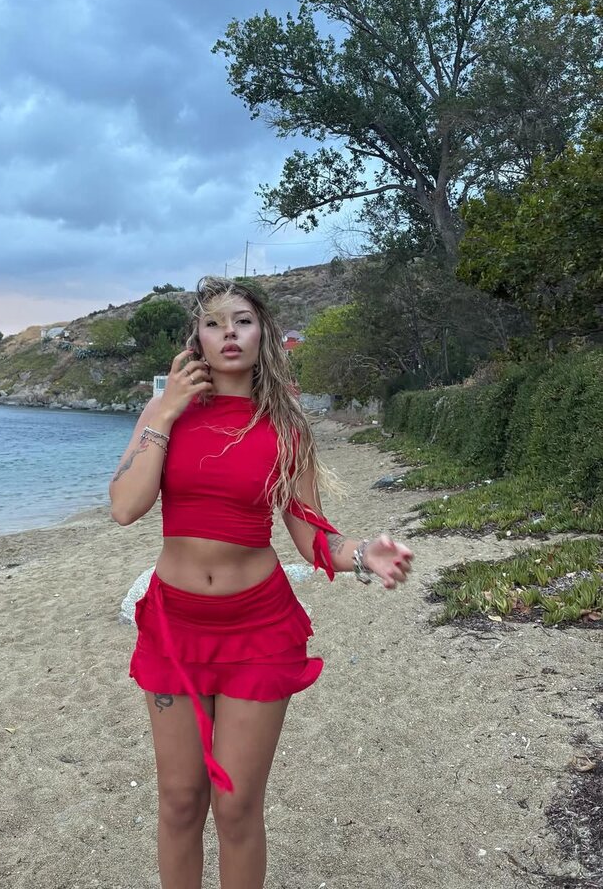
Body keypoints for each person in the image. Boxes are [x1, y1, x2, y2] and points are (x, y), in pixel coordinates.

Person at [110, 276, 414, 889]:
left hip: (258, 629)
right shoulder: (164, 415)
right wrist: (165, 410)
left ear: (262, 335)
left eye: (242, 321)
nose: (229, 333)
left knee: (237, 805)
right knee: (180, 800)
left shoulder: (286, 427)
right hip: (174, 628)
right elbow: (125, 506)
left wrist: (362, 554)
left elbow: (311, 534)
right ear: (197, 339)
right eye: (214, 323)